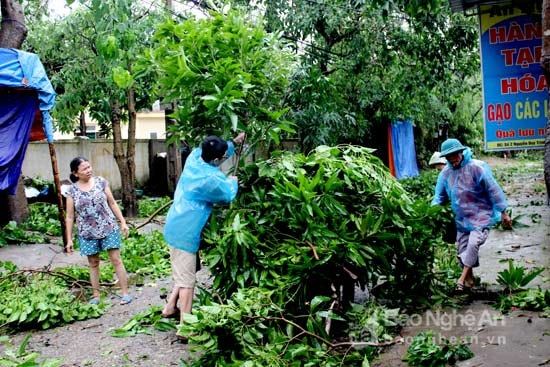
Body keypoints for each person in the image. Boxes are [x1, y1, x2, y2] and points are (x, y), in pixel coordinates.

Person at [161, 132, 245, 341]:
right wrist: (233, 181)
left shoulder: (195, 158)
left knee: (182, 272)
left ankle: (170, 307)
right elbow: (227, 194)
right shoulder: (210, 179)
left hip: (176, 223)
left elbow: (216, 153)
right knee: (188, 281)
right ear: (216, 160)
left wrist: (233, 143)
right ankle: (185, 328)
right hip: (185, 233)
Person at [431, 138, 512, 292]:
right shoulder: (446, 174)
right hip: (462, 219)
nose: (452, 159)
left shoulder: (477, 168)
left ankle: (461, 280)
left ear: (461, 152)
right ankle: (470, 281)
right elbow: (439, 197)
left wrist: (503, 212)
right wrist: (430, 214)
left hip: (481, 215)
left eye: (455, 154)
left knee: (473, 244)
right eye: (449, 156)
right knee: (461, 251)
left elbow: (493, 190)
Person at [65, 156, 133, 305]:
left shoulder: (101, 182)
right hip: (87, 232)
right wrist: (69, 239)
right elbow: (69, 217)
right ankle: (96, 295)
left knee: (116, 259)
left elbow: (112, 203)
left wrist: (122, 222)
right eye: (84, 169)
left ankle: (125, 293)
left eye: (89, 167)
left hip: (108, 226)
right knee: (93, 263)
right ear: (75, 173)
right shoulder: (72, 191)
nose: (89, 170)